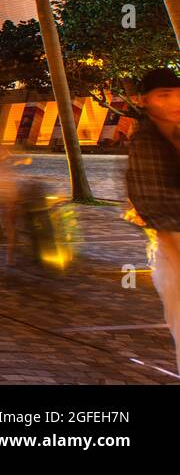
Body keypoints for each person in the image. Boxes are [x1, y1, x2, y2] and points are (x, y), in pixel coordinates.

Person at [125, 67, 180, 372]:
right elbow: (155, 205)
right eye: (164, 96)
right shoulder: (146, 141)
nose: (174, 102)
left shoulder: (174, 132)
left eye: (177, 95)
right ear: (144, 100)